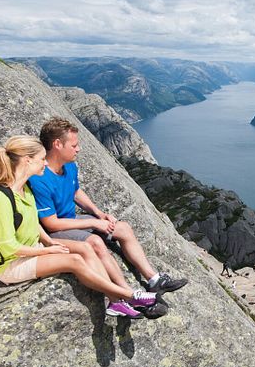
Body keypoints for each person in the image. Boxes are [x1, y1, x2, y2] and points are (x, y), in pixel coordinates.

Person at [0, 136, 162, 319]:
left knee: (86, 247)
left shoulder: (23, 189)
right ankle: (128, 296)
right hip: (10, 264)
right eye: (42, 159)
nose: (45, 163)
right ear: (28, 160)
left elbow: (32, 222)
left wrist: (49, 242)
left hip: (33, 248)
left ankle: (116, 302)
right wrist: (47, 251)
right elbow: (8, 247)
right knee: (74, 261)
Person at [28, 117, 187, 296]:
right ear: (57, 144)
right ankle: (128, 294)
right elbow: (51, 224)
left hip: (71, 220)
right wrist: (95, 224)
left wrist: (99, 214)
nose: (78, 149)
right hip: (56, 230)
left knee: (123, 229)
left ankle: (154, 280)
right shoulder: (39, 178)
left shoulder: (69, 166)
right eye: (74, 146)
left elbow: (75, 192)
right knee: (96, 242)